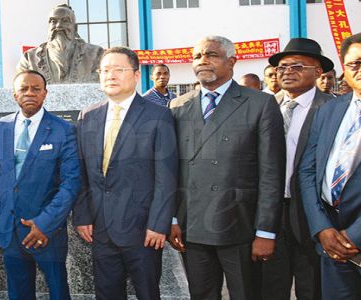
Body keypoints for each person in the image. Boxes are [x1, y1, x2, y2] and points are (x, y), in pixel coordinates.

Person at [169, 36, 285, 300]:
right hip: (192, 227)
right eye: (197, 56)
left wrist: (265, 231)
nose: (202, 61)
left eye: (211, 55)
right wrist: (173, 218)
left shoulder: (259, 104)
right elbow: (171, 170)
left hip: (239, 226)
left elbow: (271, 174)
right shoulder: (178, 105)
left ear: (232, 61)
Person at [72, 47, 178, 299]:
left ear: (136, 75)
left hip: (143, 230)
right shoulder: (88, 116)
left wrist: (158, 224)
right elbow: (82, 172)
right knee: (106, 293)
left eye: (118, 69)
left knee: (147, 293)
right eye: (105, 70)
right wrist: (83, 215)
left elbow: (167, 176)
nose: (111, 75)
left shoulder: (158, 115)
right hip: (101, 227)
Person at [298, 30, 361, 299]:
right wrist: (321, 228)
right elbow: (307, 171)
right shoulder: (330, 109)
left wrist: (356, 236)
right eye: (354, 63)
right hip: (330, 244)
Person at [0, 70, 81, 300]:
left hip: (46, 230)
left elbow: (71, 183)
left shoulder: (64, 130)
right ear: (14, 94)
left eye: (36, 89)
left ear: (45, 93)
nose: (30, 93)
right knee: (18, 293)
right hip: (9, 230)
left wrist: (44, 223)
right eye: (24, 89)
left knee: (58, 290)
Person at [260, 38, 335, 300]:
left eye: (297, 65)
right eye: (282, 67)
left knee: (311, 286)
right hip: (268, 213)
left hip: (312, 215)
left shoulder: (333, 108)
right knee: (269, 286)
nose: (287, 71)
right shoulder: (262, 106)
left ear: (318, 72)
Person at [17, 4, 104, 84]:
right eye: (53, 21)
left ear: (75, 28)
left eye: (65, 21)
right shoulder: (29, 59)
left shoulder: (96, 54)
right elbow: (22, 89)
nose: (58, 26)